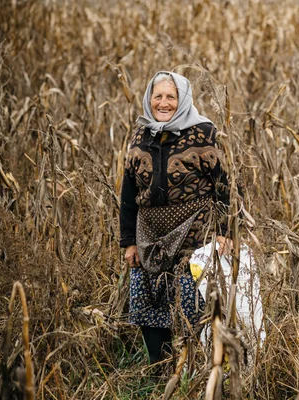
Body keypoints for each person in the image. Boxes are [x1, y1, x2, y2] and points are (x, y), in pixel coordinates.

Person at [119, 71, 232, 365]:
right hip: (149, 237)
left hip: (195, 234)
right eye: (158, 96)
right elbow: (128, 195)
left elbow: (226, 187)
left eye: (171, 96)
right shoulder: (140, 136)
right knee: (149, 302)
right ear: (149, 99)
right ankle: (159, 369)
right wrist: (129, 242)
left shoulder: (205, 133)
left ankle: (192, 368)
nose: (164, 103)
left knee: (191, 303)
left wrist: (224, 231)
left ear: (183, 100)